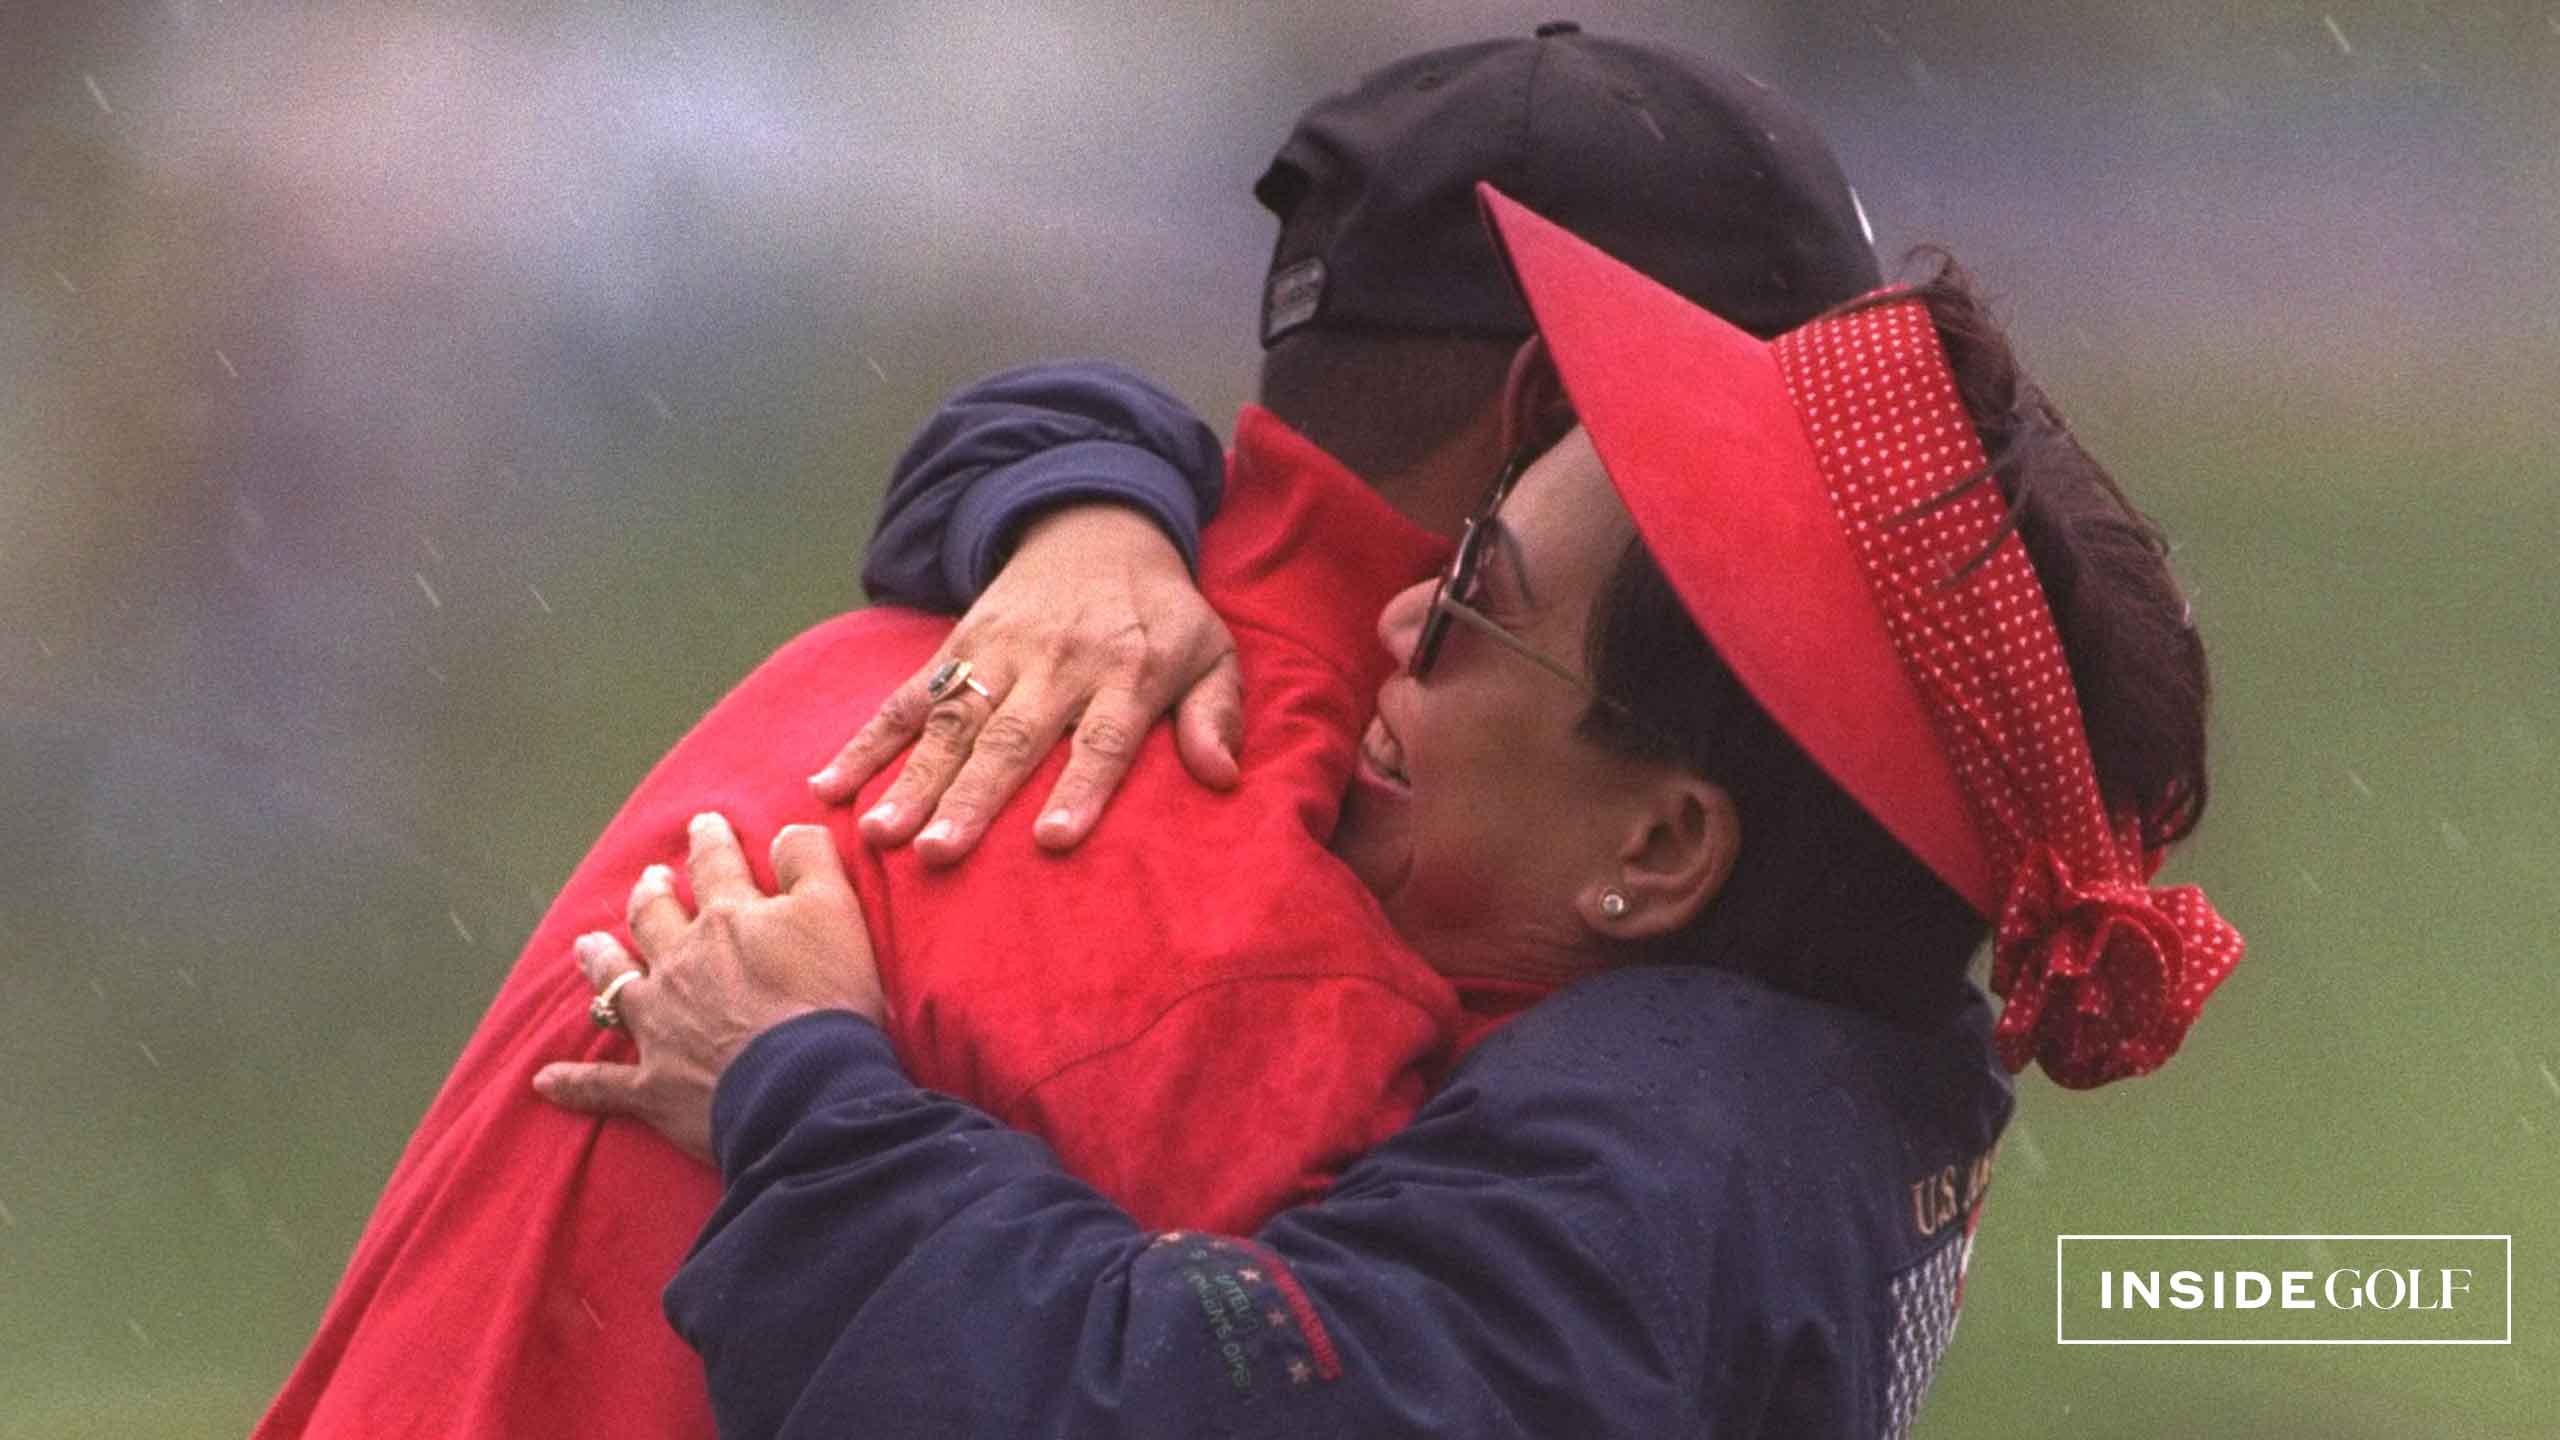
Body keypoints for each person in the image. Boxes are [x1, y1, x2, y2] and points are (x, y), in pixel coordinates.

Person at [252, 27, 1883, 1440]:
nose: (1806, 563)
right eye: (1739, 464)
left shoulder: (879, 650)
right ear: (1544, 419)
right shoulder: (1281, 952)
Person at [538, 189, 2244, 1437]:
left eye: (1476, 606)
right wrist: (1091, 505)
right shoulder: (1819, 1088)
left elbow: (1163, 1414)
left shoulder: (1645, 1169)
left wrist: (803, 1089)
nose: (1390, 627)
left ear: (1657, 851)